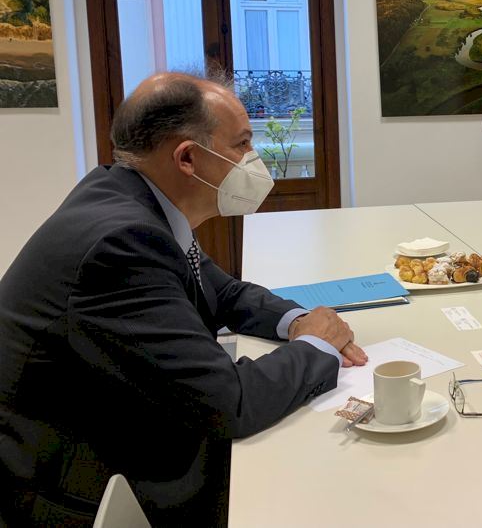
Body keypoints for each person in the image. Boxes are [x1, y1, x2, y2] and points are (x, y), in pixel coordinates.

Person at [0, 73, 368, 527]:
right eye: (242, 144)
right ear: (188, 158)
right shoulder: (123, 243)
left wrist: (296, 321)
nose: (253, 159)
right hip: (69, 486)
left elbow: (223, 291)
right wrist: (317, 345)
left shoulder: (132, 199)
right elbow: (230, 403)